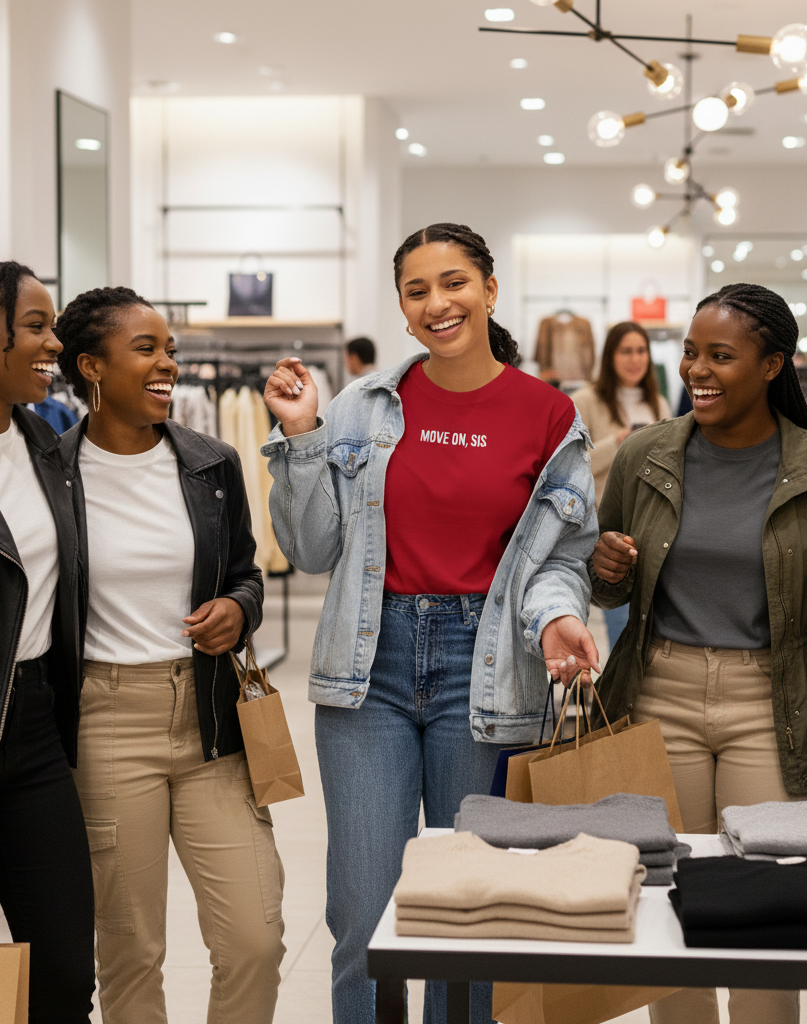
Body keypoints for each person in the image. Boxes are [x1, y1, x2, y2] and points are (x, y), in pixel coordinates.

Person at [262, 222, 599, 1024]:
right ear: (403, 308)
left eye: (454, 283)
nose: (438, 303)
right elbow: (312, 549)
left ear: (488, 288)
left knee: (471, 908)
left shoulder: (549, 416)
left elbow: (562, 556)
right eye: (417, 290)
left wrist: (556, 617)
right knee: (362, 913)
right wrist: (302, 435)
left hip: (485, 670)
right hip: (366, 667)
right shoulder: (362, 405)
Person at [590, 283, 807, 1024]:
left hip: (773, 701)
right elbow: (606, 589)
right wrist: (604, 568)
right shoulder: (645, 455)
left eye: (721, 356)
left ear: (771, 366)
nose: (698, 369)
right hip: (658, 688)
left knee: (763, 908)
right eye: (692, 353)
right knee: (672, 898)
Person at [54, 286, 285, 1024]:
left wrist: (239, 609)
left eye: (171, 350)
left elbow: (247, 570)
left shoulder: (211, 463)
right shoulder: (49, 472)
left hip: (213, 720)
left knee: (254, 936)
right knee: (129, 948)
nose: (168, 366)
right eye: (146, 349)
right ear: (90, 365)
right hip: (105, 721)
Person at [0, 256, 95, 1022]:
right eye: (36, 327)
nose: (53, 345)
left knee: (65, 969)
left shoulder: (50, 446)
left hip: (37, 729)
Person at [572, 321, 671, 651]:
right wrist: (618, 442)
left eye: (641, 350)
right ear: (610, 356)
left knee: (653, 625)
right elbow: (571, 462)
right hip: (606, 526)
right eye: (626, 350)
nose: (635, 359)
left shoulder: (660, 403)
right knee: (619, 619)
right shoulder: (586, 400)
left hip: (654, 524)